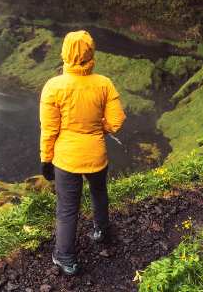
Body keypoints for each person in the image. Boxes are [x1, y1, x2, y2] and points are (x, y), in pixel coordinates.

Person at [39, 30, 125, 276]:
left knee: (67, 208)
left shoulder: (54, 86)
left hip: (66, 159)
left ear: (64, 53)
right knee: (99, 191)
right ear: (91, 53)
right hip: (97, 154)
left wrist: (46, 159)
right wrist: (96, 129)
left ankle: (67, 259)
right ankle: (102, 231)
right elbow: (116, 121)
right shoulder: (104, 83)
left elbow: (49, 130)